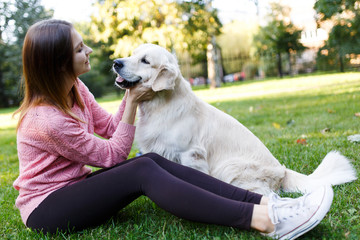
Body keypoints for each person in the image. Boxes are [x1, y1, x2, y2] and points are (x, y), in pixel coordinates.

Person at [13, 19, 334, 240]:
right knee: (141, 171)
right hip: (48, 209)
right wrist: (135, 100)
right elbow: (112, 156)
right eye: (80, 48)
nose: (90, 52)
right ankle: (262, 221)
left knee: (150, 161)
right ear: (58, 63)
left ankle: (266, 204)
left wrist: (131, 91)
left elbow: (111, 126)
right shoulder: (46, 120)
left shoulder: (76, 90)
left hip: (73, 187)